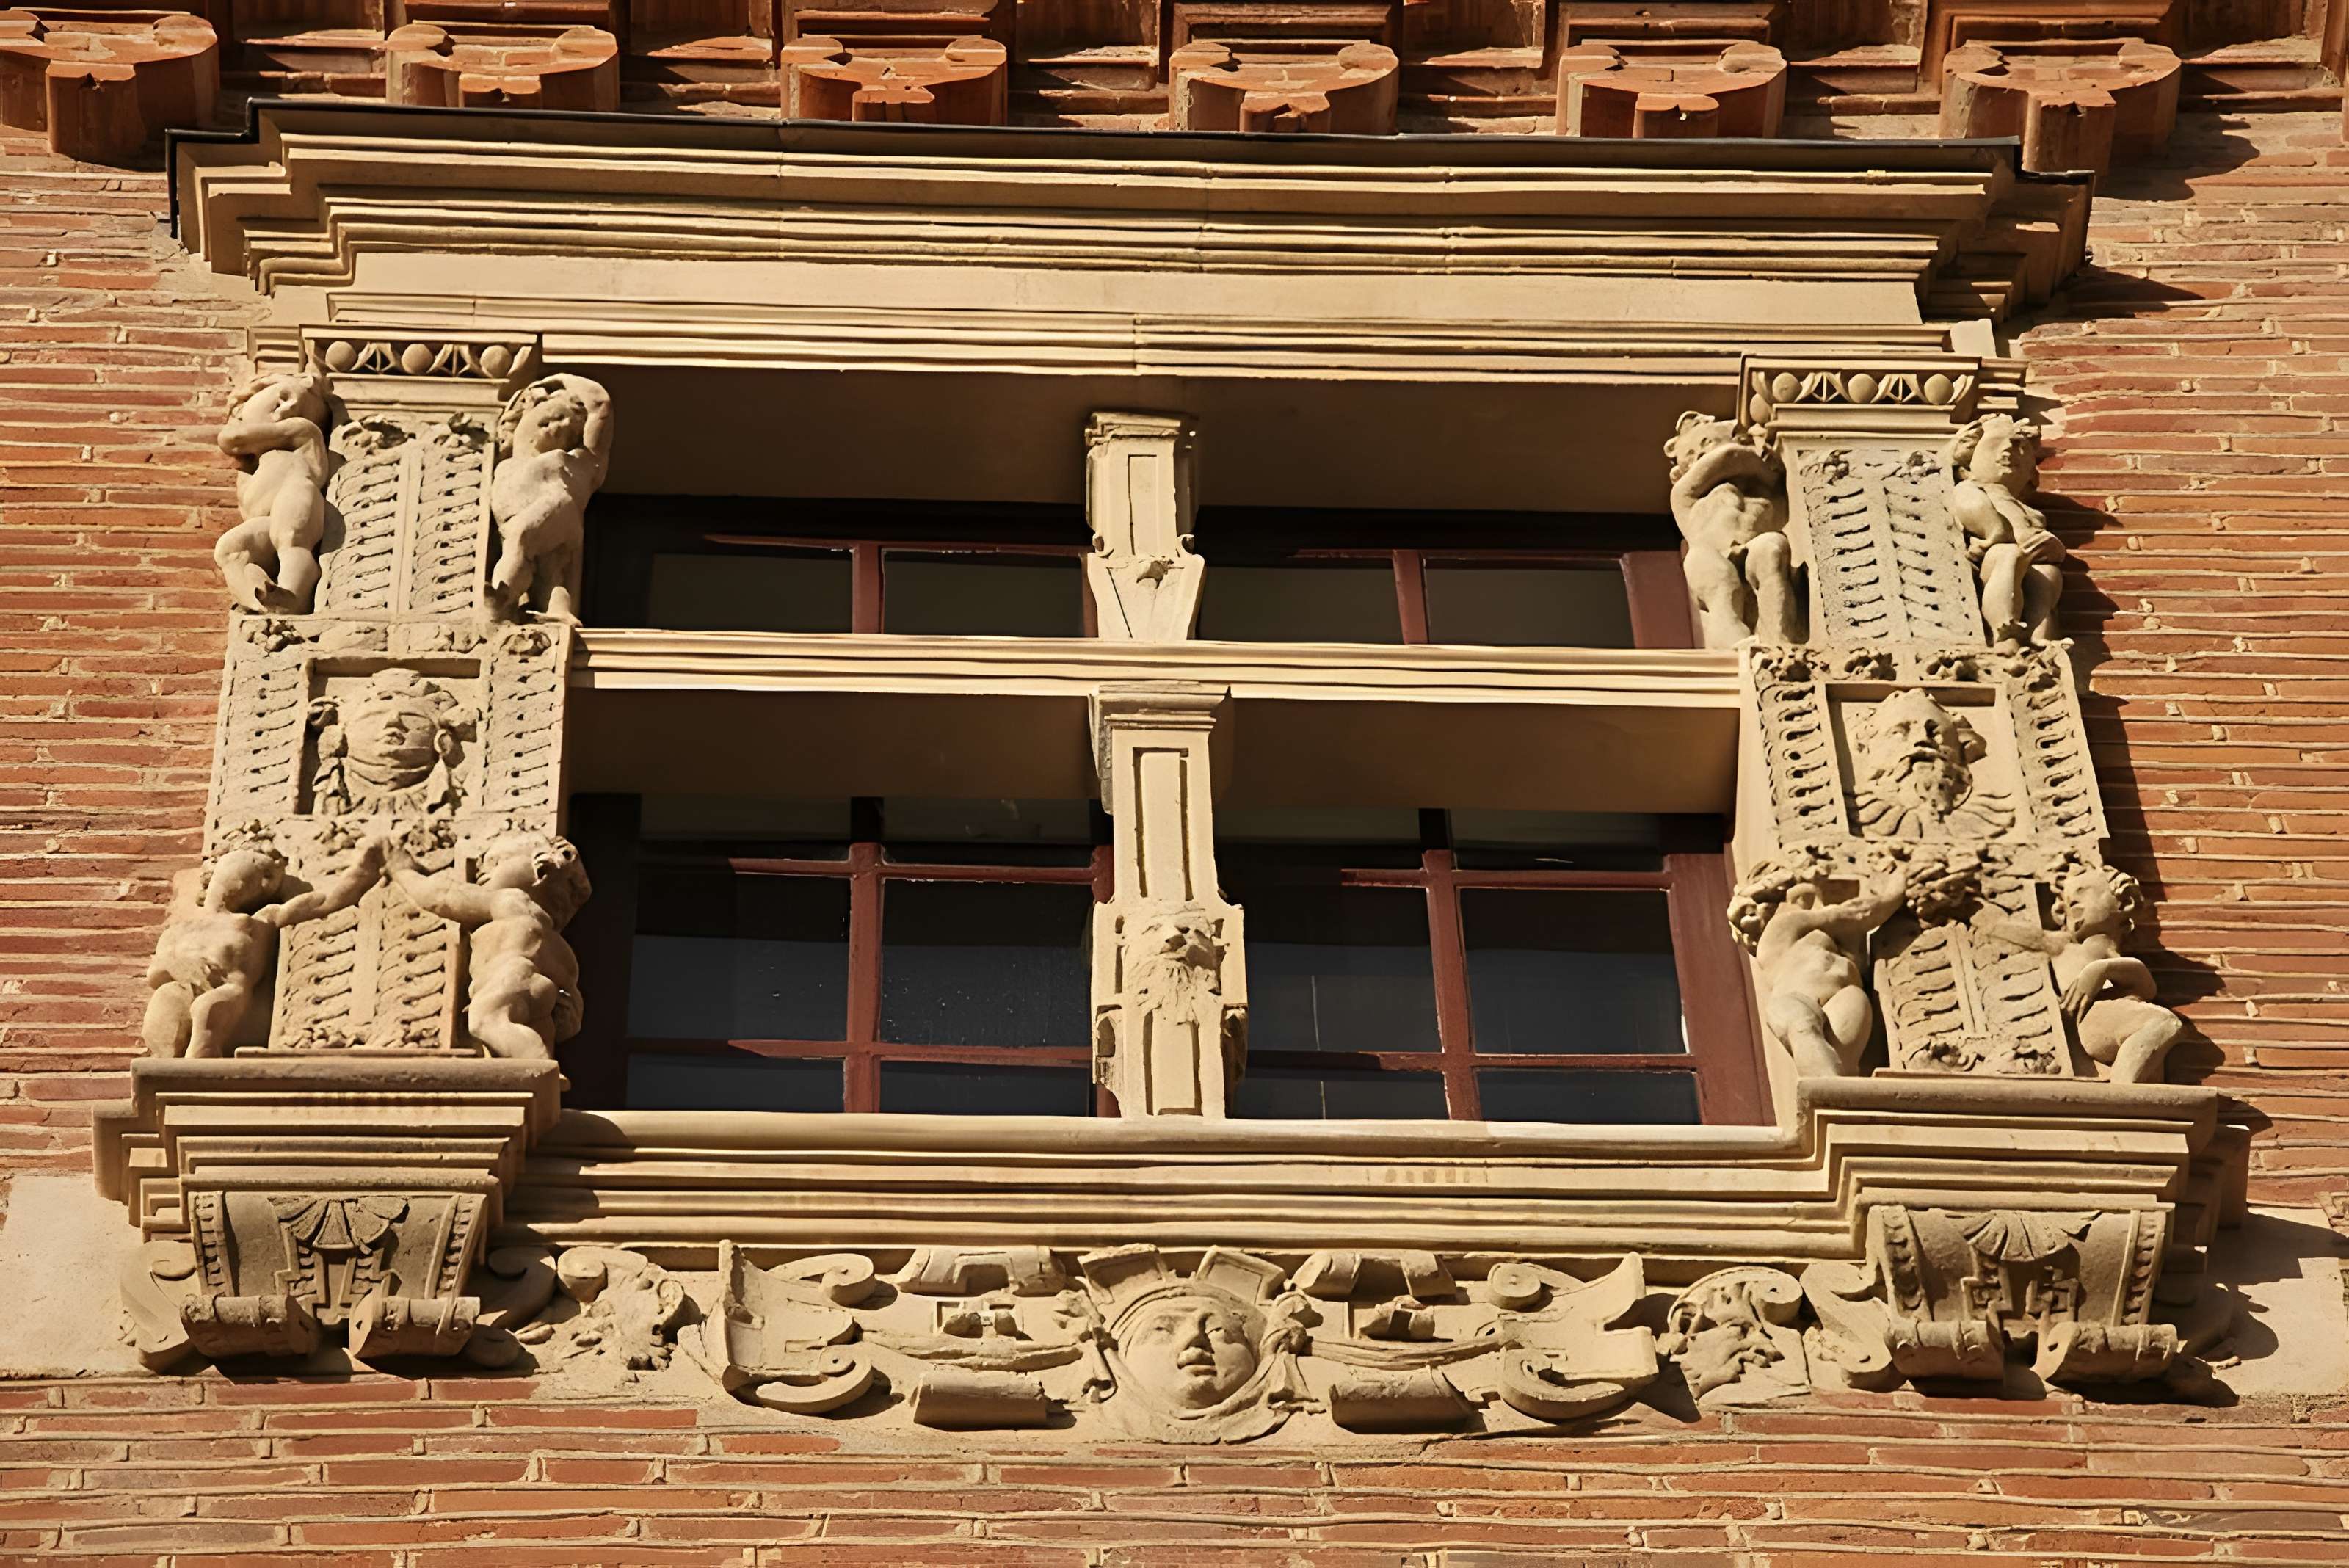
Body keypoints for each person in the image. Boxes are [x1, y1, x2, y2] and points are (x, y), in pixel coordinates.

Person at [142, 836, 387, 1058]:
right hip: (184, 988)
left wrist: (363, 870)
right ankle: (166, 1069)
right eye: (259, 866)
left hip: (230, 993)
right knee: (165, 1004)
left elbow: (325, 902)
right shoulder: (177, 931)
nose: (265, 881)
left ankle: (196, 1076)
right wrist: (187, 968)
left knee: (206, 1010)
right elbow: (155, 974)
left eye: (269, 877)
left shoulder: (258, 921)